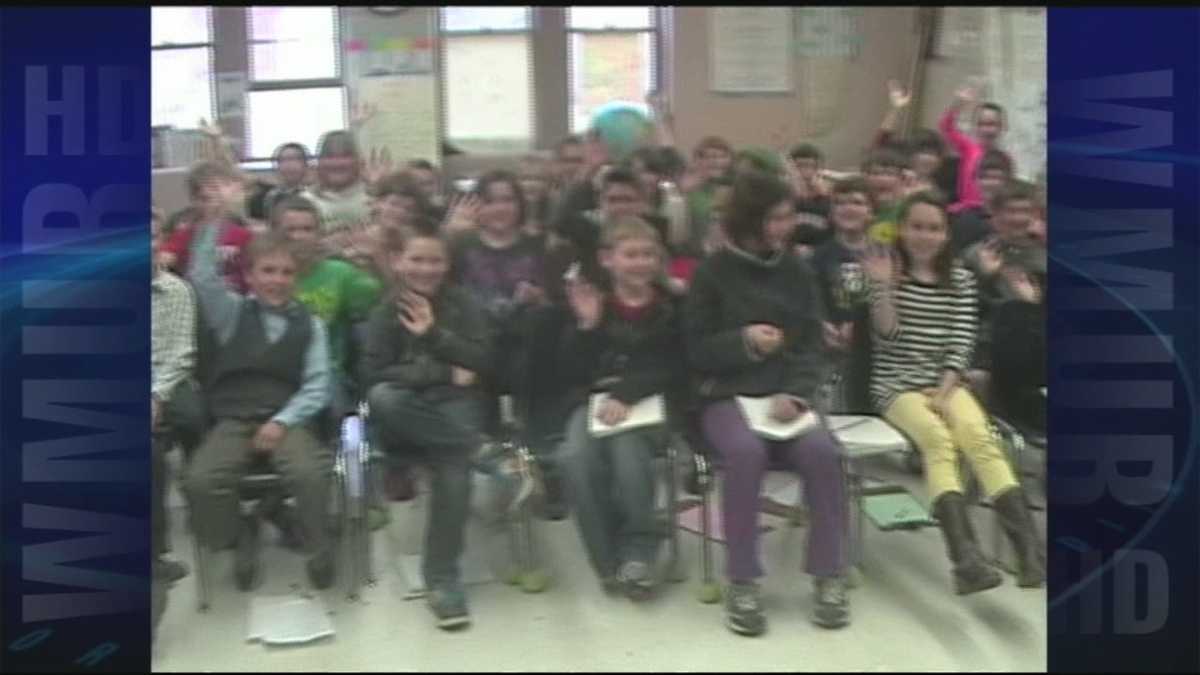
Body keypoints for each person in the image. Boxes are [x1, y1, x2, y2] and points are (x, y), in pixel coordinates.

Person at [684, 169, 849, 636]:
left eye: (789, 216)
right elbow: (695, 348)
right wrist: (745, 342)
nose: (787, 226)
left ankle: (828, 573)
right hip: (726, 395)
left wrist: (797, 393)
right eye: (776, 218)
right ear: (749, 220)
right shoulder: (712, 273)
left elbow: (811, 344)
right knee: (744, 453)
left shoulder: (796, 270)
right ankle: (743, 580)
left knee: (823, 452)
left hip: (785, 397)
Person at [862, 191, 1044, 595]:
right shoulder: (888, 274)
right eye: (916, 227)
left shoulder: (961, 278)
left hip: (946, 381)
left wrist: (944, 392)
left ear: (946, 234)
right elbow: (887, 338)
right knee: (938, 441)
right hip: (897, 385)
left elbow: (961, 342)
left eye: (934, 228)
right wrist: (882, 288)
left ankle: (1029, 553)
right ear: (901, 230)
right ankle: (966, 562)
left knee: (981, 439)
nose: (924, 236)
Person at [183, 227, 336, 592]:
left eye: (286, 272)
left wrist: (282, 421)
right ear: (249, 276)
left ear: (297, 278)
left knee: (310, 473)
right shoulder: (232, 312)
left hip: (289, 418)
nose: (277, 280)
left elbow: (318, 385)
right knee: (201, 481)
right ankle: (240, 533)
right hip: (234, 417)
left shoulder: (312, 325)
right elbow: (201, 277)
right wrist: (215, 220)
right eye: (268, 270)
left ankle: (317, 544)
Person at [361, 230, 495, 631]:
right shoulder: (385, 311)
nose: (425, 269)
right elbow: (372, 373)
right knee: (383, 396)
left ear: (447, 264)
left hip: (456, 406)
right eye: (416, 260)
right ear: (399, 262)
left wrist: (433, 334)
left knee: (454, 472)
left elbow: (484, 361)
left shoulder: (465, 304)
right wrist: (443, 372)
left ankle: (441, 579)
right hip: (406, 414)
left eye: (434, 260)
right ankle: (479, 449)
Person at [557, 218, 685, 600]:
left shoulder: (672, 306)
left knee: (628, 452)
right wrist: (587, 326)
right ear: (607, 259)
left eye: (648, 254)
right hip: (593, 404)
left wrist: (626, 394)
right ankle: (608, 559)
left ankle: (639, 553)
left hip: (651, 404)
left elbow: (675, 365)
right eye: (631, 255)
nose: (641, 263)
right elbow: (568, 371)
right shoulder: (591, 302)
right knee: (574, 457)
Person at [152, 208, 197, 586]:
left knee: (194, 415)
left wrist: (157, 395)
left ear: (162, 241)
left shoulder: (177, 290)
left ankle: (200, 500)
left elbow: (181, 353)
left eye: (150, 236)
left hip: (167, 379)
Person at [810, 177, 876, 413]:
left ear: (871, 212)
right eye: (840, 203)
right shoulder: (819, 256)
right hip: (830, 349)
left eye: (857, 202)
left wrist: (861, 327)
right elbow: (811, 297)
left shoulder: (886, 255)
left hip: (872, 352)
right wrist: (822, 324)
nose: (848, 208)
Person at [160, 160, 254, 294]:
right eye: (200, 191)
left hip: (237, 299)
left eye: (215, 187)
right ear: (195, 199)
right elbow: (163, 260)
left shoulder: (245, 235)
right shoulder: (186, 235)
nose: (207, 193)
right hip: (198, 298)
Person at [939, 80, 1013, 214]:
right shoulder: (969, 148)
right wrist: (958, 103)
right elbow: (946, 127)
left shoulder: (1005, 159)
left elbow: (1008, 193)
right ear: (975, 126)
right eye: (981, 124)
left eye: (992, 124)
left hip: (993, 214)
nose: (986, 130)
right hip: (966, 211)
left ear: (1002, 127)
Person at [304, 130, 372, 235]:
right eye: (330, 156)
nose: (337, 163)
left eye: (345, 156)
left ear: (358, 160)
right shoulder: (305, 202)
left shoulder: (376, 198)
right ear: (319, 162)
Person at [862, 147, 909, 246]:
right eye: (875, 173)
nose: (882, 179)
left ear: (902, 179)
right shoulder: (853, 210)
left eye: (889, 173)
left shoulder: (909, 211)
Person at [262, 142, 311, 218]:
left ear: (306, 165)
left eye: (295, 159)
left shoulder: (314, 195)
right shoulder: (271, 196)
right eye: (284, 160)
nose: (290, 165)